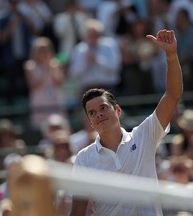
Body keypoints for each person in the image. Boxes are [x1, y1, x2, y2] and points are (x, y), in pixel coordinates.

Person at [69, 29, 183, 216]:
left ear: (118, 110)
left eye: (104, 108)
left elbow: (172, 95)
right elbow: (77, 212)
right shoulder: (83, 159)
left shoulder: (145, 134)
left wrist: (171, 56)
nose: (99, 114)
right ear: (90, 122)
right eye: (92, 112)